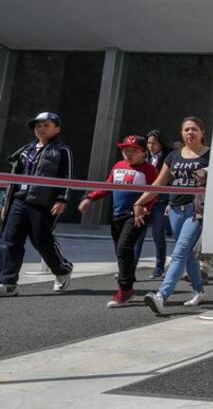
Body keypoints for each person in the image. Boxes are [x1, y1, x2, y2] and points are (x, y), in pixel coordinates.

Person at [135, 116, 211, 312]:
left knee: (179, 252)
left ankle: (162, 295)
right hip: (176, 210)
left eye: (194, 129)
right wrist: (140, 202)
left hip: (198, 212)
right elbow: (158, 184)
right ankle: (199, 290)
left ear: (202, 133)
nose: (190, 133)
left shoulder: (212, 156)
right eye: (186, 129)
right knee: (186, 254)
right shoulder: (174, 156)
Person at [0, 112, 76, 297]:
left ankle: (62, 269)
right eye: (37, 125)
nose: (40, 128)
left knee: (41, 240)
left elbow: (67, 176)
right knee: (10, 240)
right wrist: (5, 203)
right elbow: (14, 178)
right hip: (19, 199)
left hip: (43, 203)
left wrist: (62, 199)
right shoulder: (26, 150)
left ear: (56, 128)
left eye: (45, 125)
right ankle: (8, 282)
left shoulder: (62, 150)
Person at [78, 135, 158, 307]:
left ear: (144, 152)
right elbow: (108, 186)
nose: (128, 153)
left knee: (124, 248)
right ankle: (128, 283)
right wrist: (90, 198)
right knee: (121, 252)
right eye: (125, 150)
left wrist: (145, 209)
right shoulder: (118, 166)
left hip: (136, 216)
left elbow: (154, 192)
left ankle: (125, 289)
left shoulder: (149, 169)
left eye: (133, 150)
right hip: (117, 215)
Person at [131, 129, 170, 279]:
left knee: (157, 234)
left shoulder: (168, 158)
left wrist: (169, 202)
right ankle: (131, 267)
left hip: (160, 201)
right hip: (144, 201)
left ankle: (159, 267)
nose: (151, 146)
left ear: (161, 144)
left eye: (154, 143)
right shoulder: (142, 158)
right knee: (138, 234)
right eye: (148, 143)